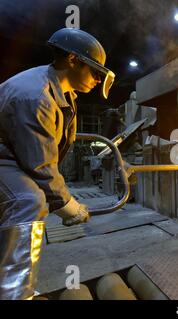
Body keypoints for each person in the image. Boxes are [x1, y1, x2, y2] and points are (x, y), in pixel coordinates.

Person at [0, 28, 115, 300]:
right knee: (28, 200)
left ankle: (15, 281)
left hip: (9, 157)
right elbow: (39, 165)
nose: (99, 79)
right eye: (94, 71)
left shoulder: (65, 95)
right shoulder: (36, 95)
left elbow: (46, 155)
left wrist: (61, 197)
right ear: (73, 60)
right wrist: (68, 206)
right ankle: (14, 293)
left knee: (35, 196)